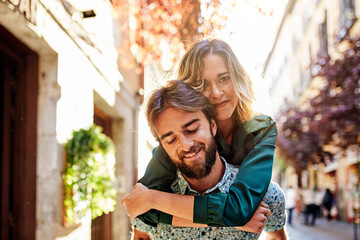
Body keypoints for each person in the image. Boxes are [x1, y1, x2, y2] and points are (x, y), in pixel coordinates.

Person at [123, 39, 278, 228]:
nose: (216, 92)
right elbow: (141, 208)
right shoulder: (179, 138)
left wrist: (153, 198)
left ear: (237, 78)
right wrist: (230, 222)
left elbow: (239, 210)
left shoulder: (261, 130)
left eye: (223, 78)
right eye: (202, 84)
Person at [125, 80, 287, 239]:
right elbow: (140, 235)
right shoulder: (146, 200)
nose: (185, 145)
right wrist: (229, 221)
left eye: (192, 129)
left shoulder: (266, 197)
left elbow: (276, 237)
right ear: (162, 147)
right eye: (170, 140)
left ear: (213, 126)